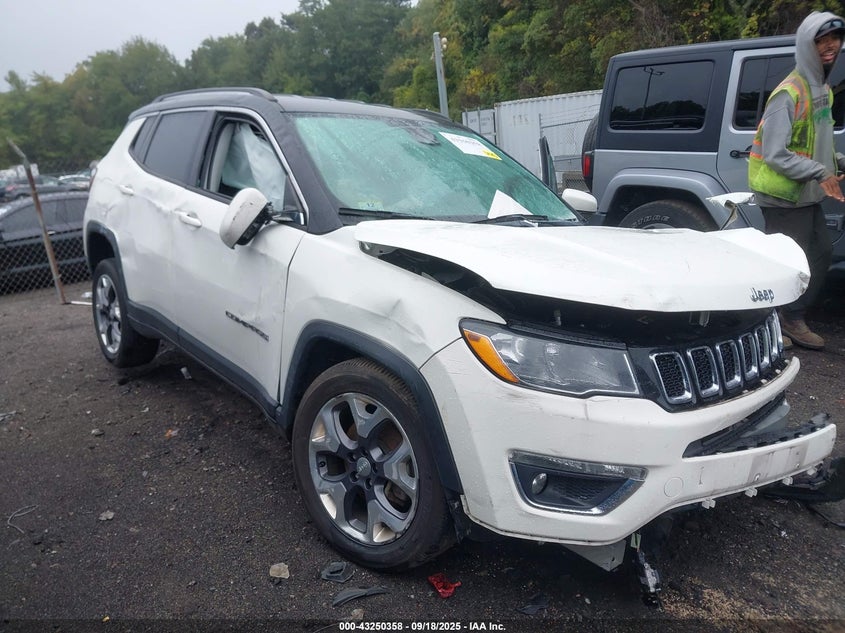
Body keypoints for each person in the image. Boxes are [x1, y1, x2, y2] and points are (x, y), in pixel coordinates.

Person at [749, 11, 845, 351]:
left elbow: (818, 142)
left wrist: (836, 163)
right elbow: (774, 153)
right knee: (788, 264)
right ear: (807, 44)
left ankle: (787, 318)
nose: (830, 45)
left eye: (834, 38)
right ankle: (776, 323)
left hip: (804, 194)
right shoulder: (788, 93)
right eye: (821, 39)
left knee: (818, 254)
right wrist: (821, 173)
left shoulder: (821, 89)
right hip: (781, 194)